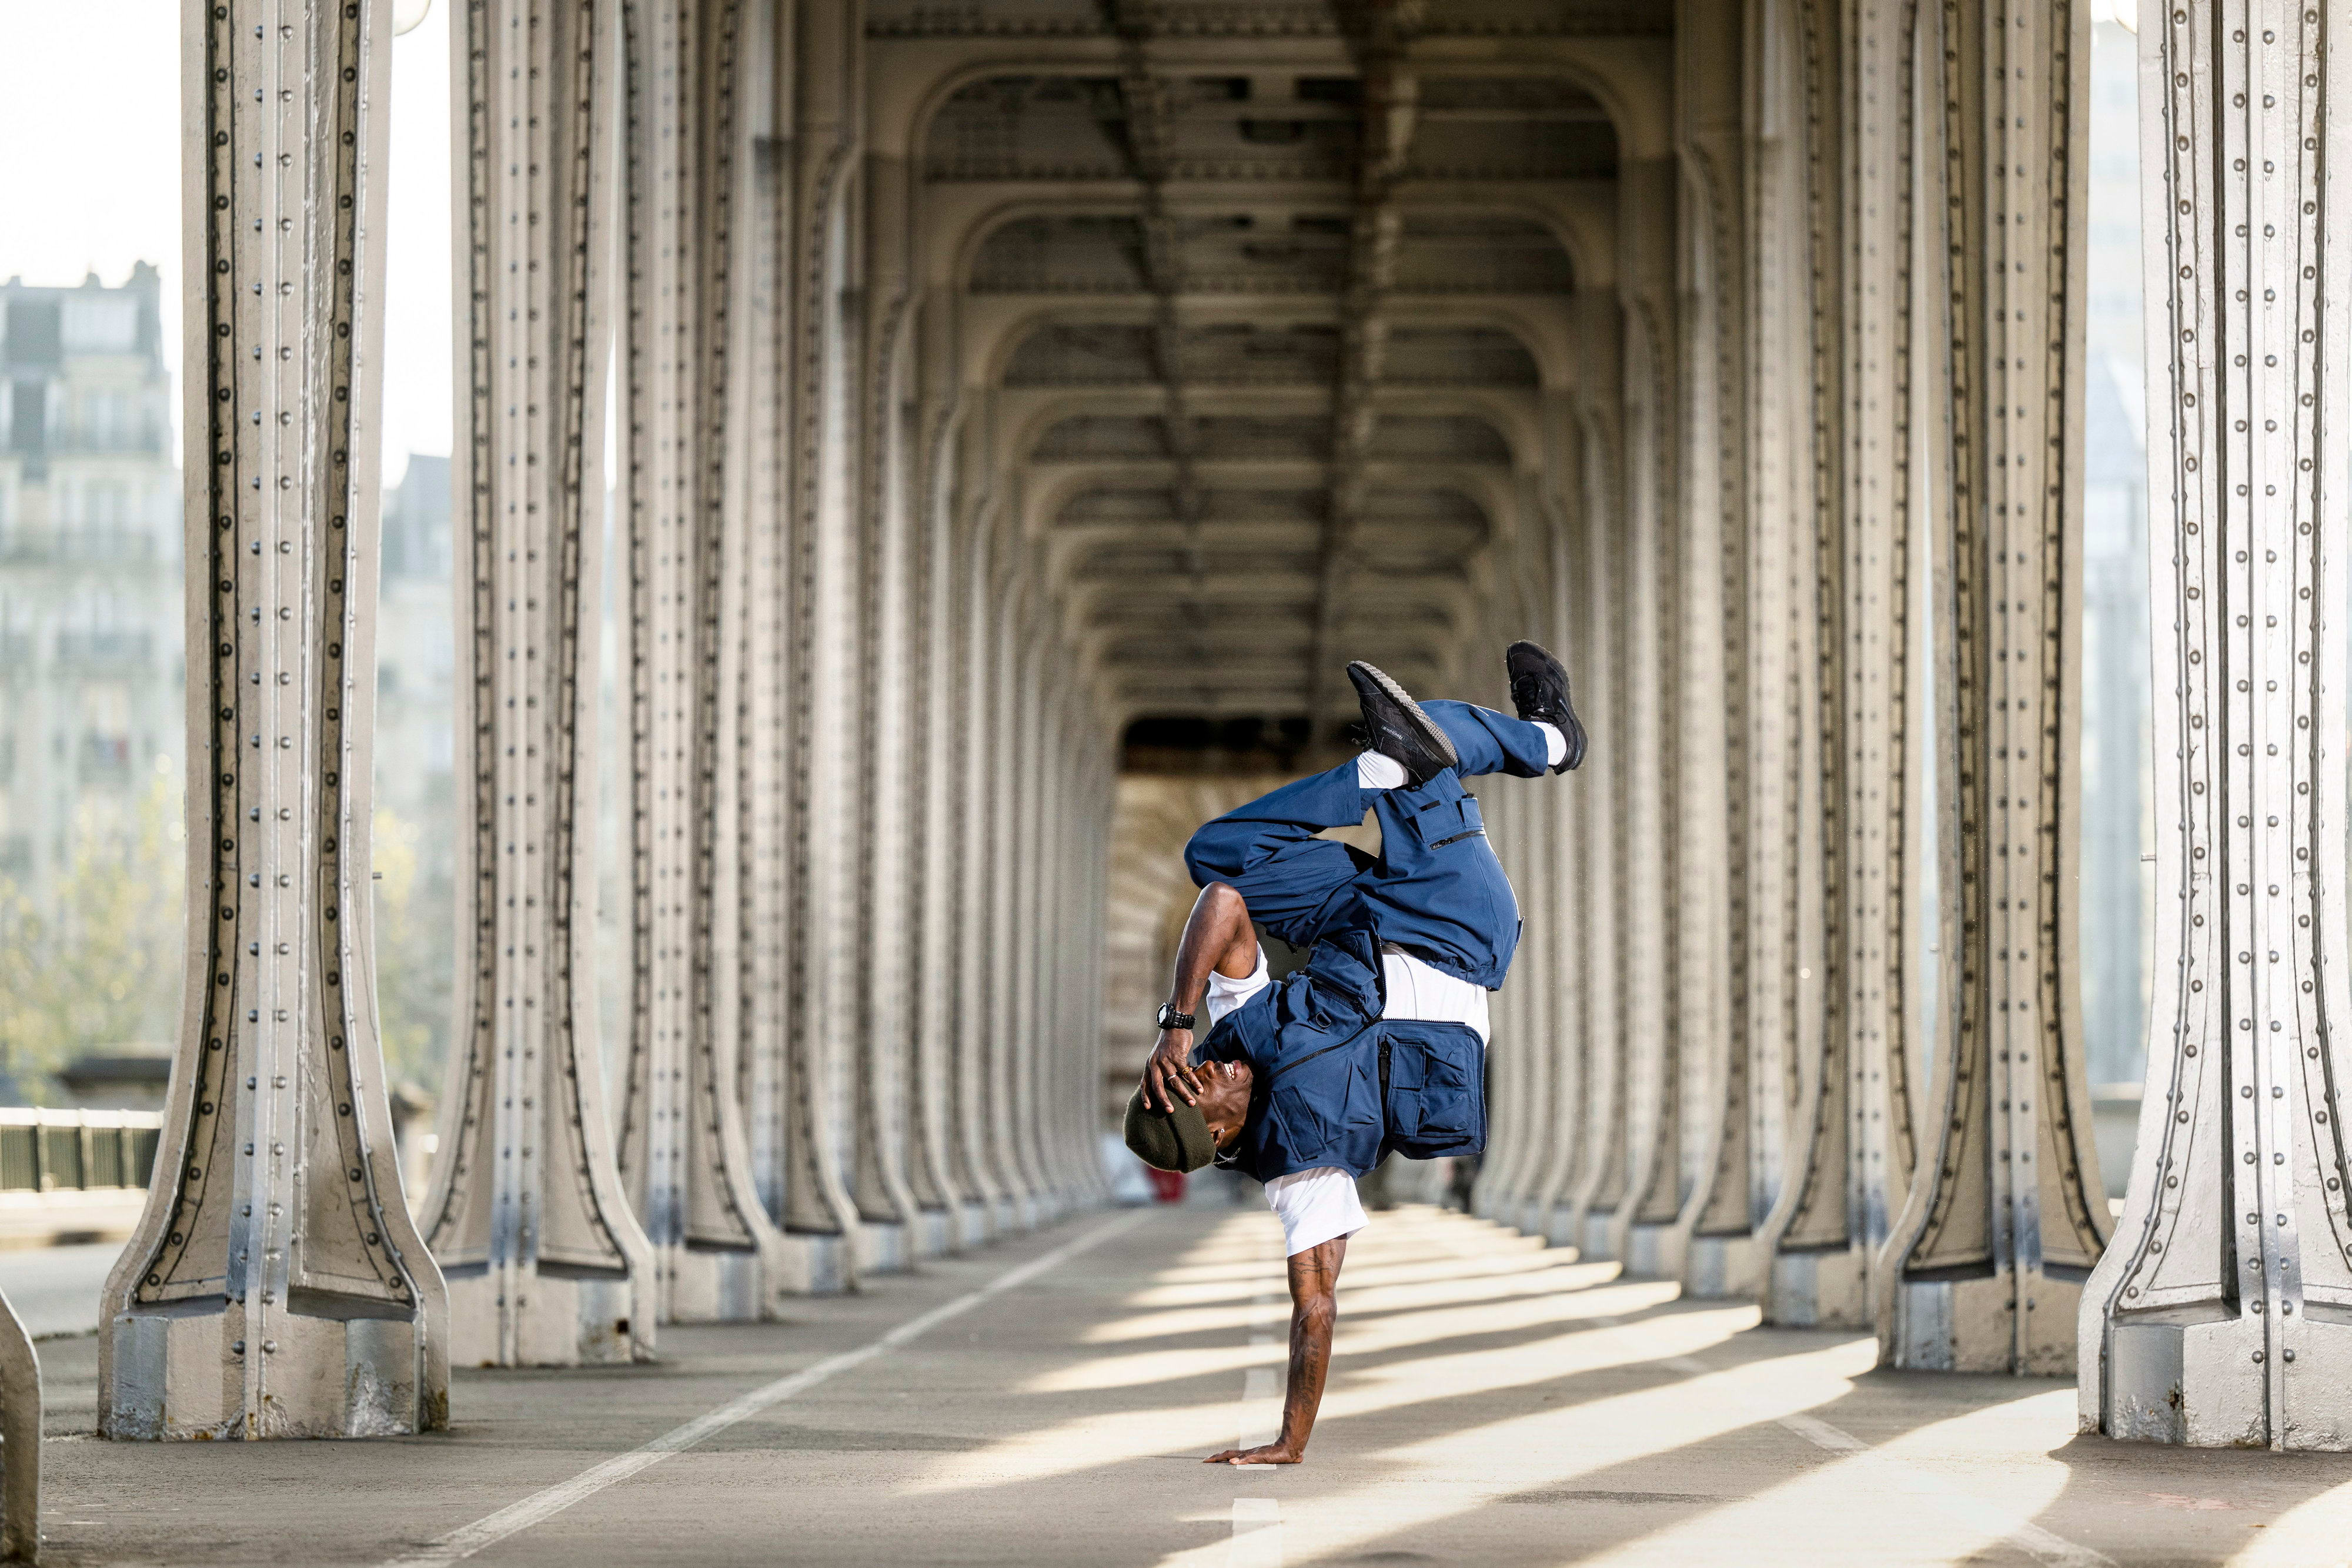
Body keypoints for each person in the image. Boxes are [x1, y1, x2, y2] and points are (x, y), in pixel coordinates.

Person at [1122, 645, 1582, 1465]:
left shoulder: (1229, 1036)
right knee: (1430, 753)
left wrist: (1178, 1024)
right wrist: (1289, 1440)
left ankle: (1380, 771)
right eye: (1201, 1088)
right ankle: (1549, 742)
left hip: (1361, 915)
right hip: (1453, 930)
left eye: (1192, 1070)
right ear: (1220, 1134)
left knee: (1215, 854)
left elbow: (1224, 904)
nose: (1210, 1070)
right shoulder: (1302, 1171)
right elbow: (1316, 1306)